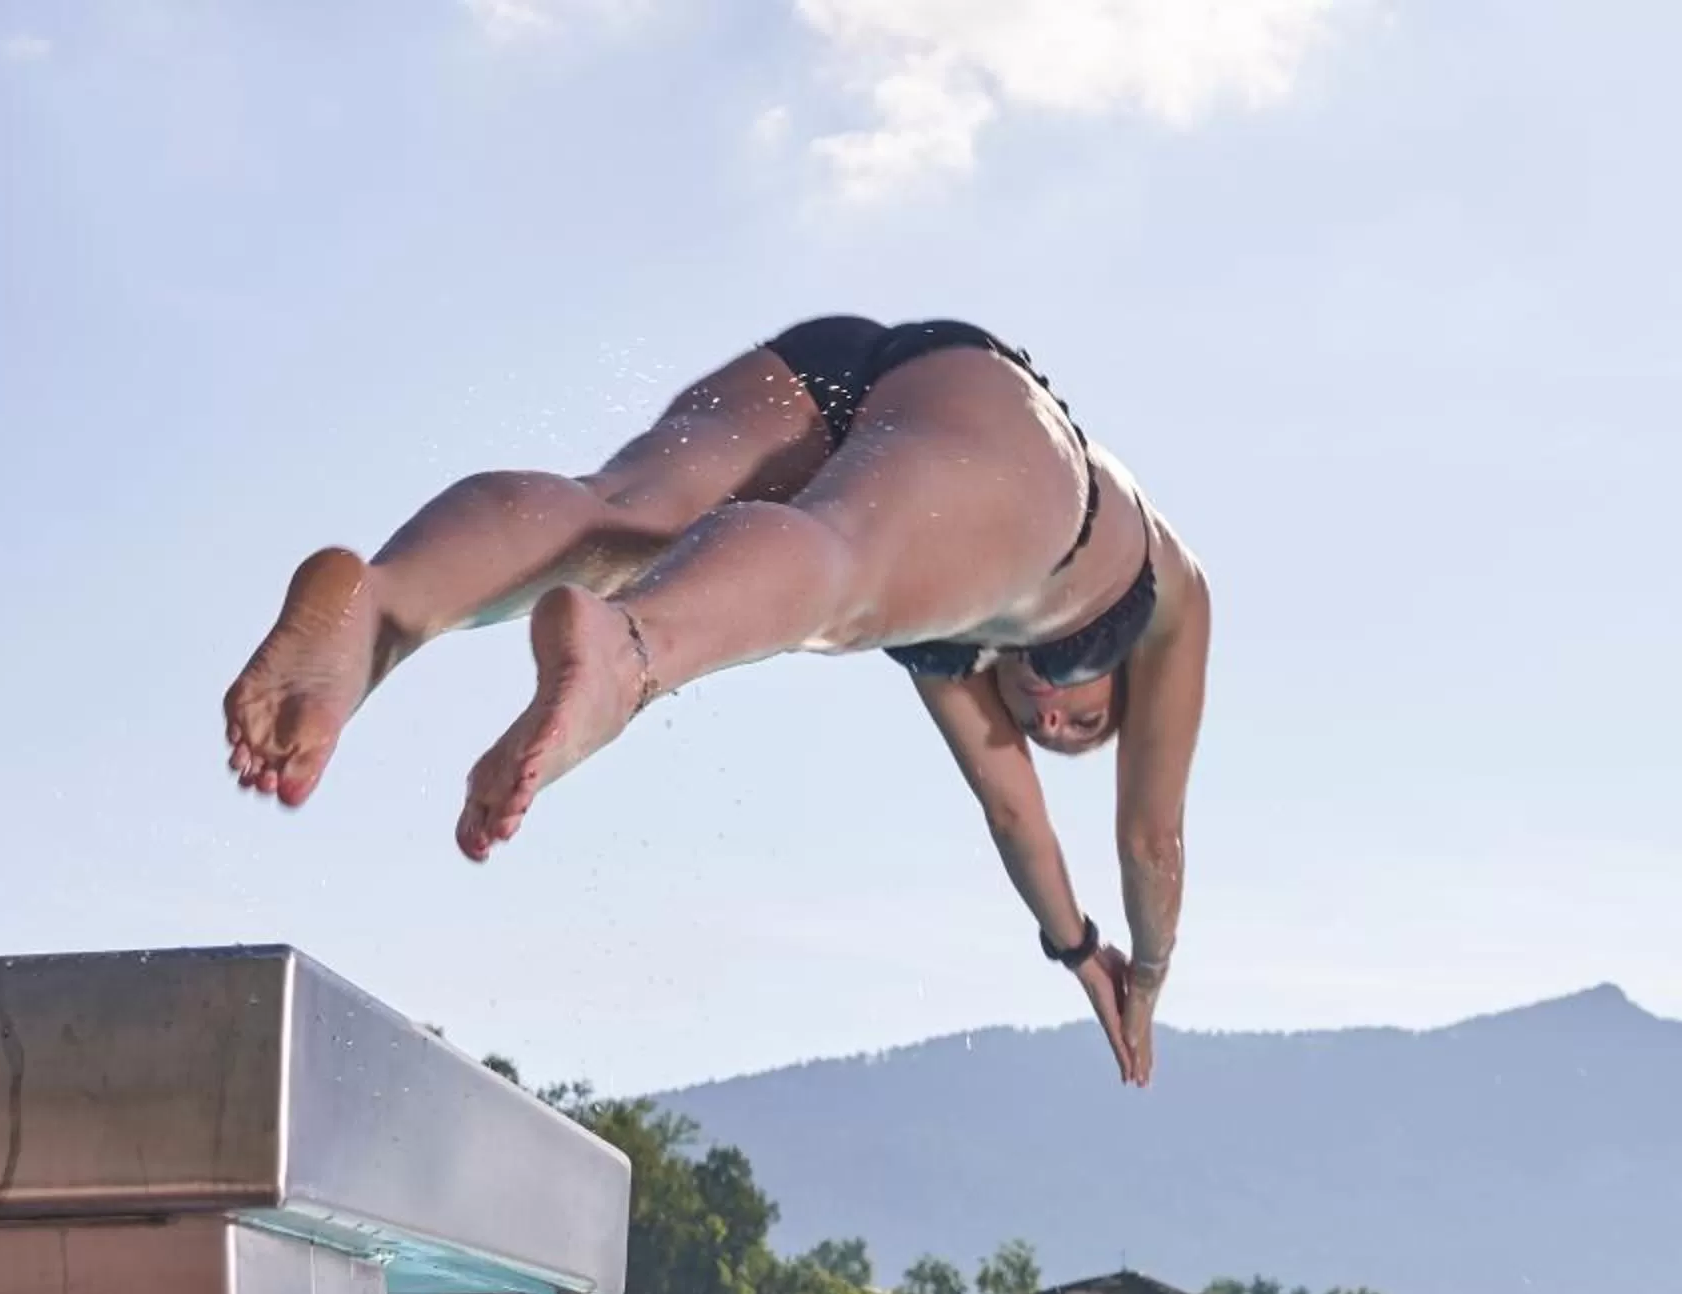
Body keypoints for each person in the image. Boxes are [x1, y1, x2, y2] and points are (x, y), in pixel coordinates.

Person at [221, 315, 1205, 1086]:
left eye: (1057, 732)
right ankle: (631, 650)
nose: (1054, 716)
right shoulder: (1171, 587)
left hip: (851, 362)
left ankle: (379, 603)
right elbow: (1150, 840)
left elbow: (1012, 813)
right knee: (843, 567)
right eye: (1088, 714)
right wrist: (1149, 975)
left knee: (622, 512)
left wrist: (1079, 950)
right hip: (1004, 422)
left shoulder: (953, 646)